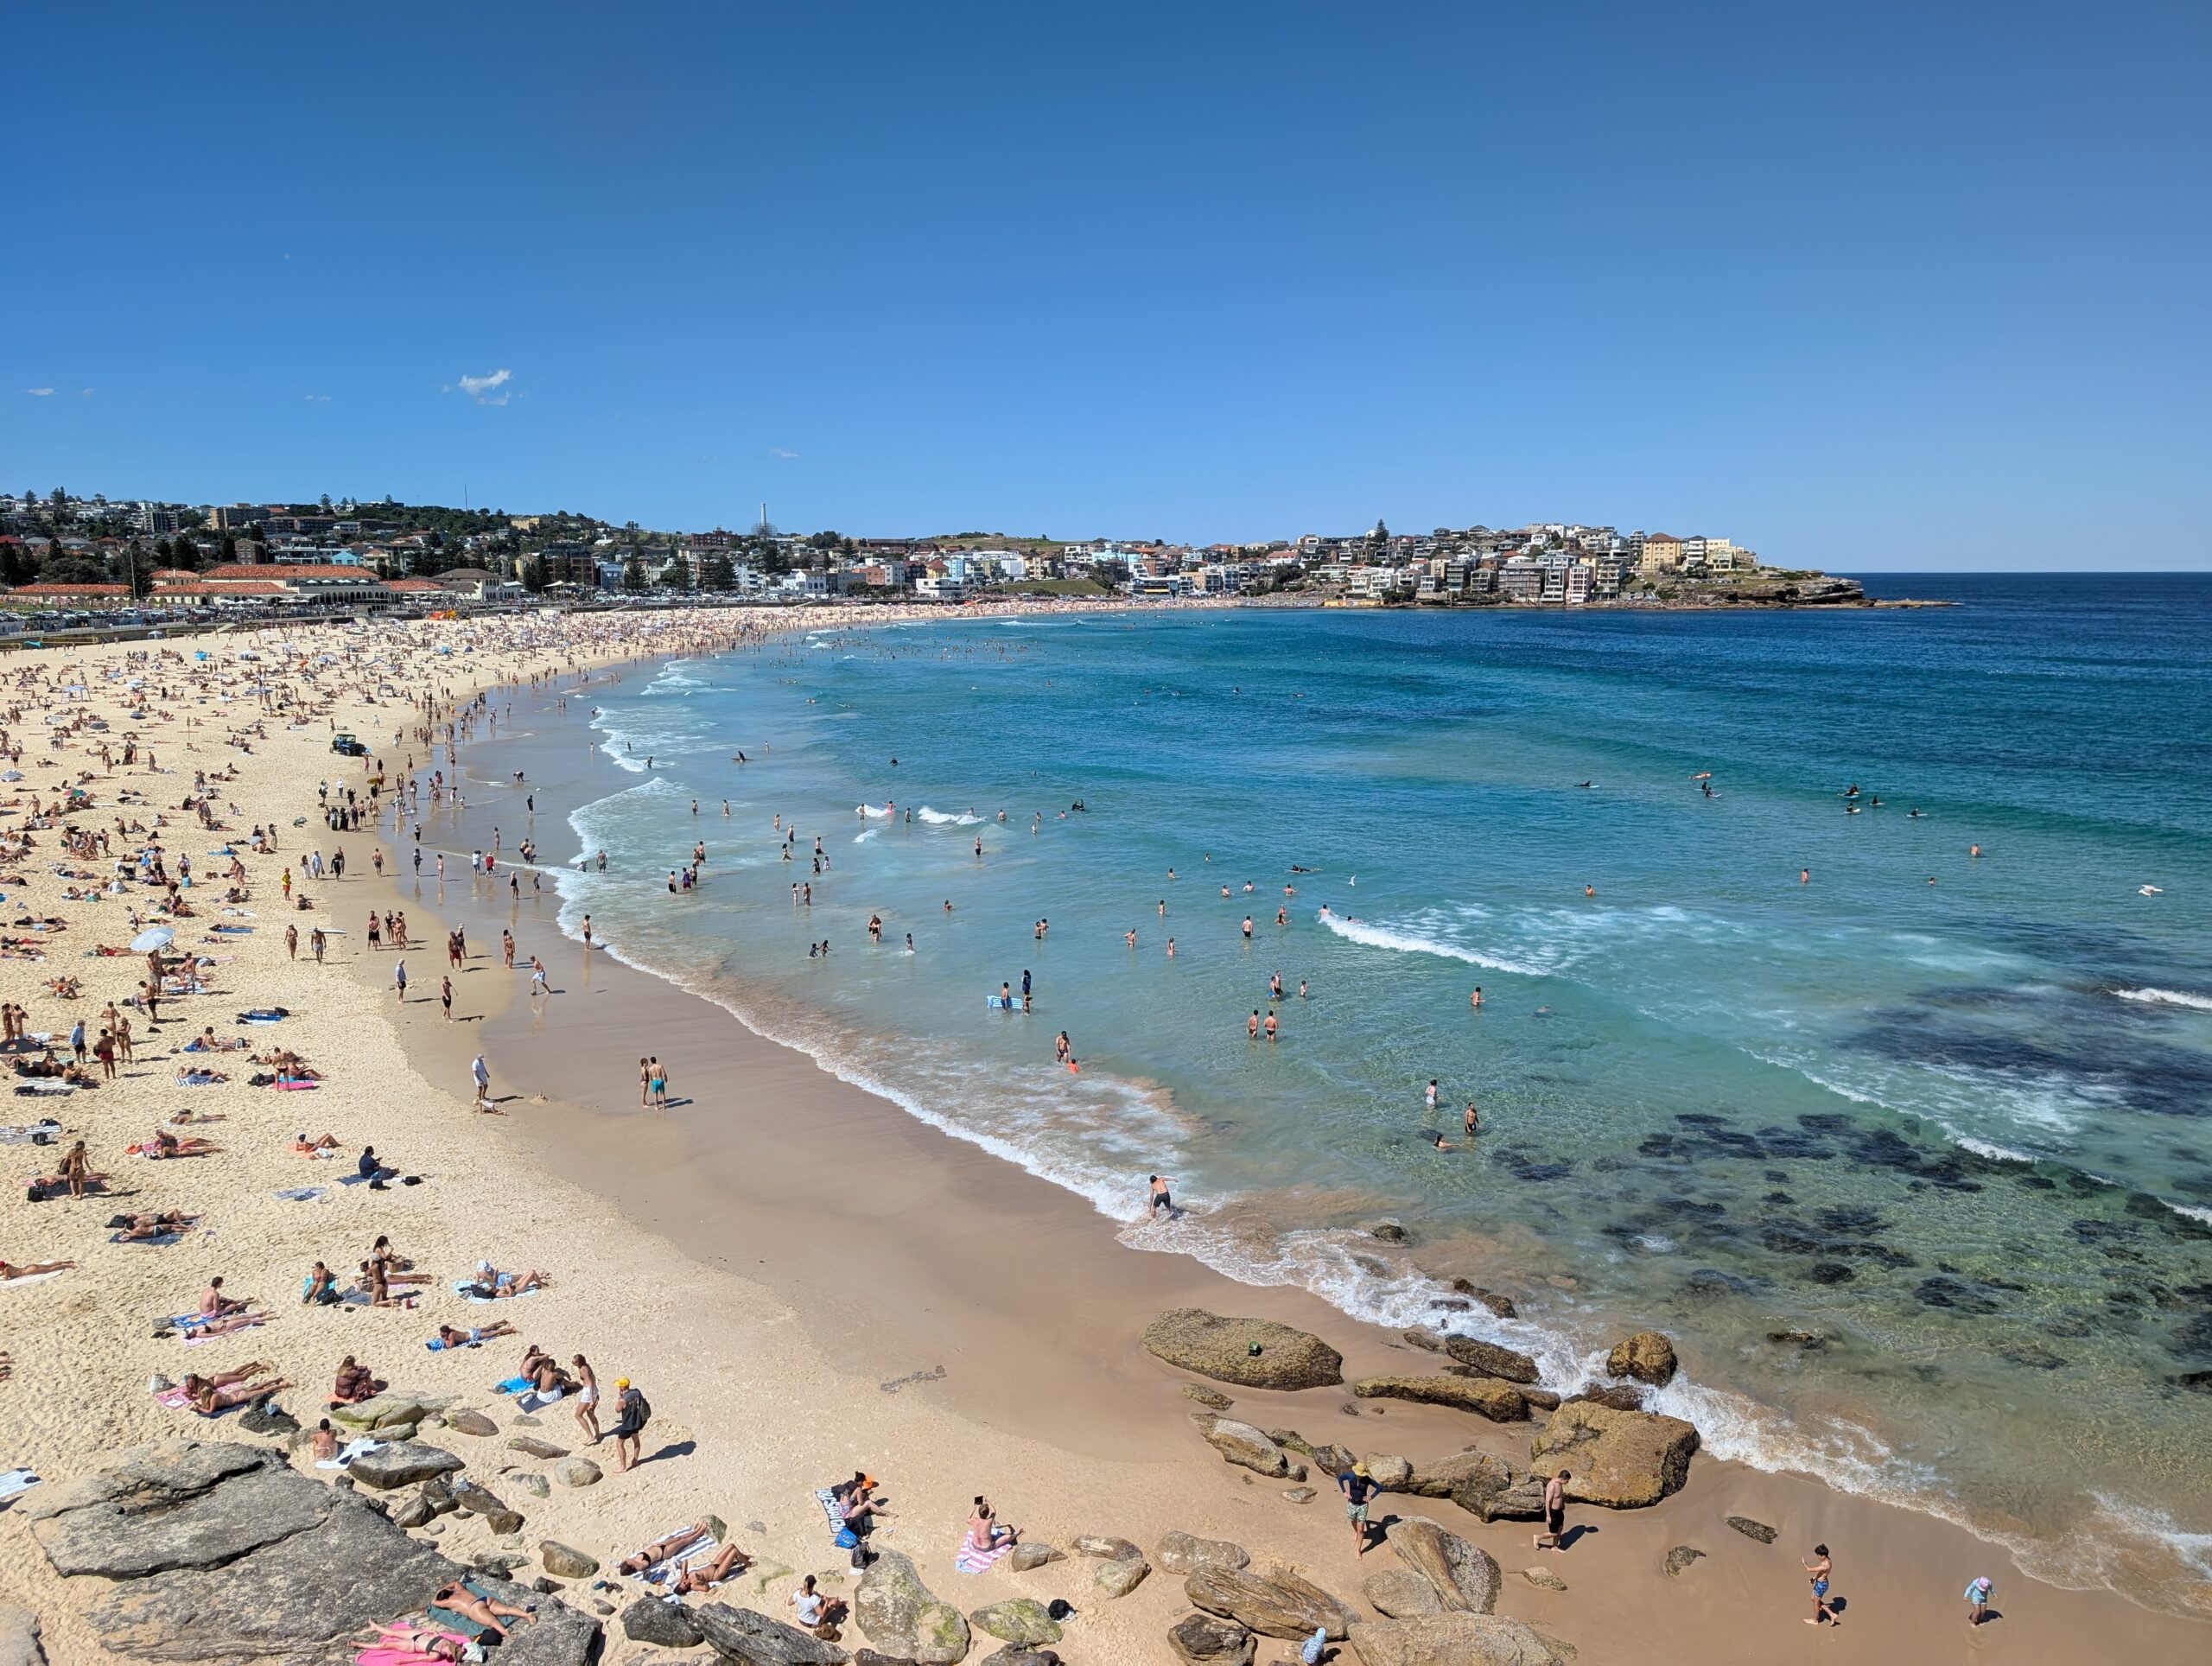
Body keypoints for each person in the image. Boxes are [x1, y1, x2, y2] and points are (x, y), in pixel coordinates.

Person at [1338, 1461, 1378, 1555]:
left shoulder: (1367, 1479)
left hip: (1363, 1506)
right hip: (1351, 1504)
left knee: (1361, 1529)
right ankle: (1356, 1531)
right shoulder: (1350, 1475)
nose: (1359, 1476)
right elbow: (1340, 1479)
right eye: (1358, 1475)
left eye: (1361, 1475)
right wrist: (1344, 1492)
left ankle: (1358, 1550)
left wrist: (1371, 1497)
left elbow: (1379, 1487)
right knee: (1352, 1520)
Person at [789, 1574, 846, 1638]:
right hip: (812, 1624)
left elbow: (789, 1603)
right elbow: (822, 1615)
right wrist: (826, 1602)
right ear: (813, 1585)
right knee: (834, 1602)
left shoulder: (798, 1593)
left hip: (801, 1620)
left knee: (815, 1594)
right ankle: (840, 1604)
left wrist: (796, 1593)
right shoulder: (814, 1598)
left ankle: (833, 1600)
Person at [612, 1377, 650, 1471]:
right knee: (636, 1440)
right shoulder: (637, 1392)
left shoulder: (623, 1400)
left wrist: (620, 1397)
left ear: (621, 1387)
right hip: (636, 1422)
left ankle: (623, 1466)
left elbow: (617, 1410)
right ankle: (635, 1460)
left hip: (627, 1425)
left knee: (619, 1444)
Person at [1535, 1469, 1571, 1551]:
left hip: (1559, 1510)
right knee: (1553, 1533)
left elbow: (1560, 1496)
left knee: (1560, 1528)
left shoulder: (1560, 1483)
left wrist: (1562, 1504)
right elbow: (1547, 1501)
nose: (1568, 1482)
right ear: (1562, 1479)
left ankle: (1555, 1546)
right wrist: (1548, 1515)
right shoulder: (1552, 1486)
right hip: (1553, 1512)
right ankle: (1537, 1537)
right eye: (1567, 1481)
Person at [1803, 1543, 1839, 1626]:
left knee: (1816, 1603)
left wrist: (1804, 1563)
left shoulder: (1825, 1565)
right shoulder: (1827, 1560)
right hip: (1820, 1583)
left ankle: (1815, 1620)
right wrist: (1814, 1578)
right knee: (1813, 1599)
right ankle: (1832, 1615)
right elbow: (1820, 1572)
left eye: (1818, 1555)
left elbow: (1809, 1569)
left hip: (1821, 1585)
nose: (1817, 1557)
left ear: (1823, 1555)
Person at [572, 1353, 601, 1443]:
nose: (573, 1363)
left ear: (579, 1362)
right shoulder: (586, 1366)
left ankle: (590, 1436)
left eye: (574, 1362)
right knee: (590, 1414)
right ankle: (598, 1435)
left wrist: (592, 1400)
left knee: (578, 1415)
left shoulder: (583, 1369)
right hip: (593, 1390)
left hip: (589, 1392)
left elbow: (590, 1384)